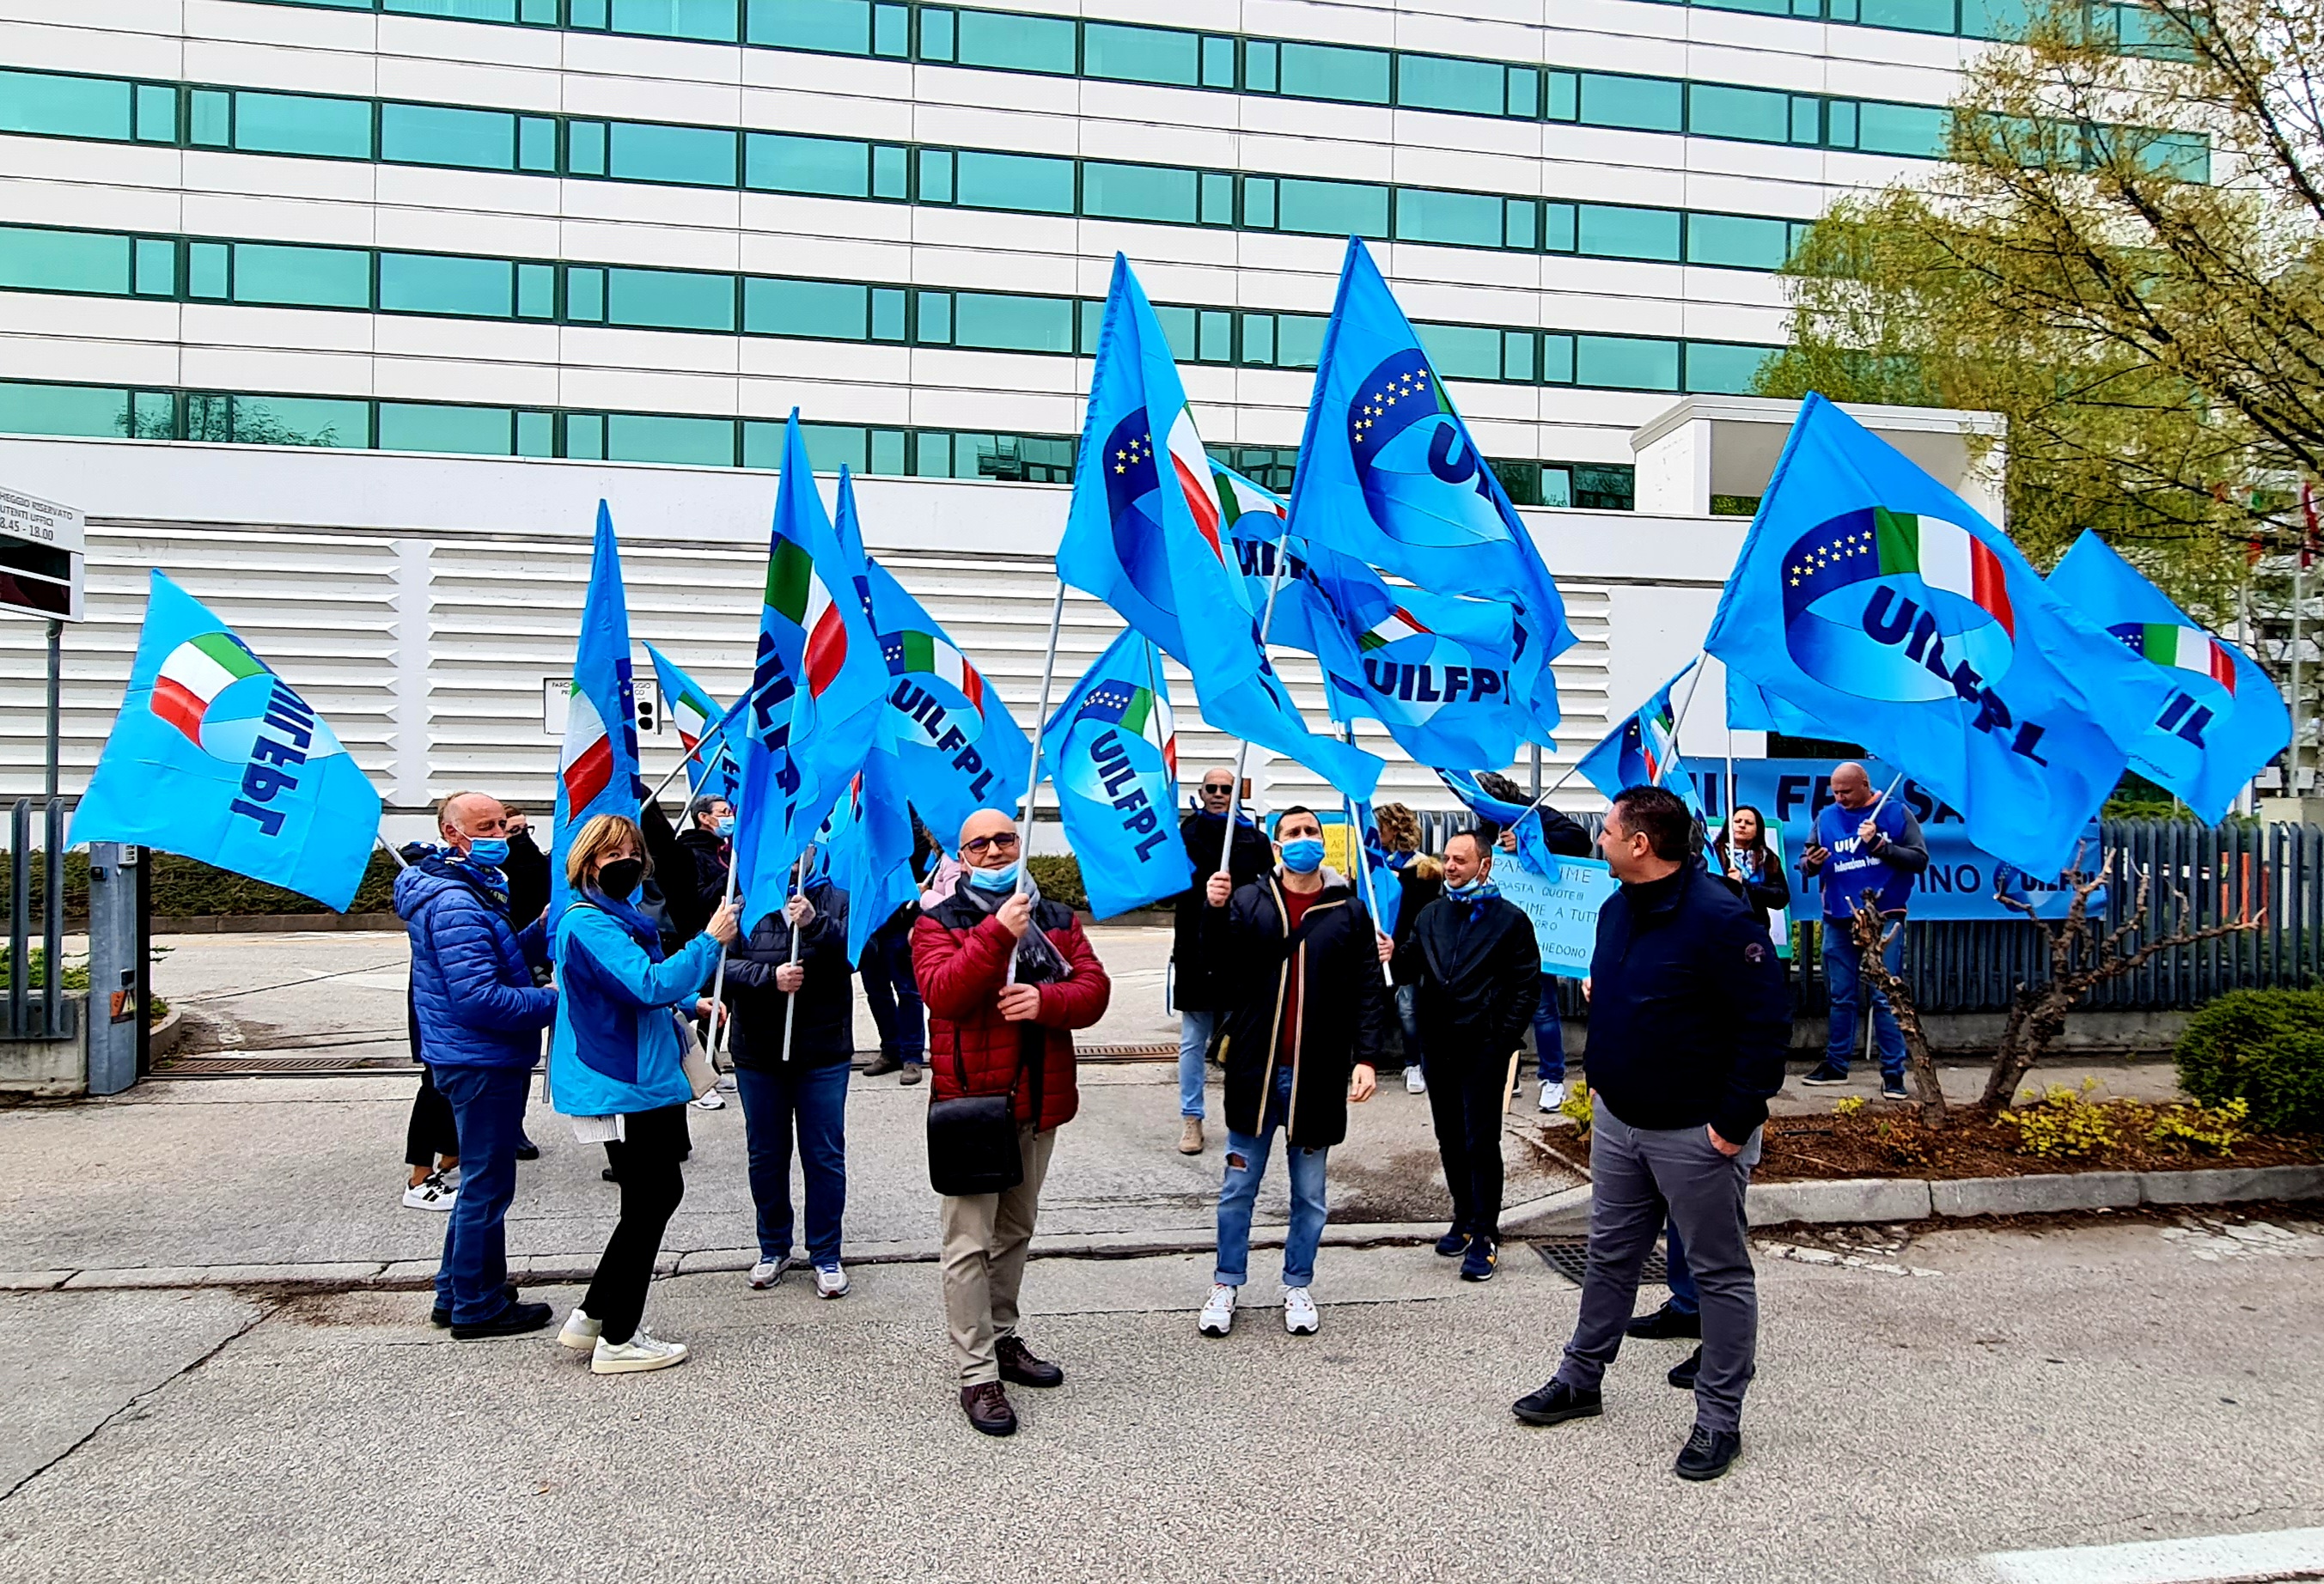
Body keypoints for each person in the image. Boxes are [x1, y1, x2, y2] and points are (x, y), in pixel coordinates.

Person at [1511, 786, 1787, 1483]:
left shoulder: (1720, 917)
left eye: (1607, 831)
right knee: (1609, 1256)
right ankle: (1579, 1379)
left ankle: (1717, 1419)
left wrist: (1732, 1122)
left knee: (1718, 1273)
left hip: (1695, 1131)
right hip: (1619, 1121)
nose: (1598, 840)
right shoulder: (1615, 909)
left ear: (1639, 844)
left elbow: (1764, 1027)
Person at [915, 808, 1112, 1437]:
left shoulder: (1055, 918)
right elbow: (944, 992)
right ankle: (976, 1373)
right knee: (968, 1244)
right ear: (962, 856)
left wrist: (1044, 1000)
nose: (995, 851)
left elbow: (1094, 991)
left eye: (1004, 839)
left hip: (1038, 1102)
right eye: (979, 844)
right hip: (973, 1106)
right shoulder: (937, 920)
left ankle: (1001, 1337)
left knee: (1015, 1231)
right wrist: (997, 932)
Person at [547, 814, 740, 1375]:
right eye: (613, 855)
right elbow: (646, 983)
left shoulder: (613, 918)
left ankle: (593, 1316)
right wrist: (709, 942)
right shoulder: (589, 923)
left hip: (638, 1075)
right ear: (587, 863)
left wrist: (690, 1002)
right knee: (652, 1198)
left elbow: (633, 987)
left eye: (633, 852)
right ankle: (619, 1338)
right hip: (622, 1079)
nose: (627, 862)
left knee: (648, 1199)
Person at [1195, 806, 1388, 1339]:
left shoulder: (1348, 910)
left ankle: (1298, 1284)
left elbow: (1368, 989)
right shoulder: (1248, 900)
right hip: (1256, 1072)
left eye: (1311, 831)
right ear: (1277, 846)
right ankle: (1226, 1282)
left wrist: (1367, 1057)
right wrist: (1213, 911)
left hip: (1316, 1076)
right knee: (1237, 1189)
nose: (1304, 839)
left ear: (1323, 842)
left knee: (1310, 1197)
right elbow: (1216, 967)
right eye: (1293, 832)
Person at [394, 792, 559, 1337]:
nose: (497, 835)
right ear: (451, 833)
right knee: (487, 1186)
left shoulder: (464, 887)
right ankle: (477, 1304)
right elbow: (480, 998)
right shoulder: (456, 902)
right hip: (480, 1056)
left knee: (481, 1182)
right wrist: (552, 1000)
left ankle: (457, 1288)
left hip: (471, 1054)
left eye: (501, 825)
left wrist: (537, 930)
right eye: (483, 827)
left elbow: (497, 956)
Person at [1394, 829, 1540, 1282]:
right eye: (1447, 858)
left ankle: (1486, 1233)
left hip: (1483, 1047)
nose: (1451, 866)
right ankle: (1464, 1217)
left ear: (1484, 865)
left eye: (1461, 859)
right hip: (1438, 1044)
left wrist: (1502, 1038)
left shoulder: (1510, 920)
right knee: (1450, 1137)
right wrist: (1390, 953)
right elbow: (1407, 967)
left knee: (1481, 1140)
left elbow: (1526, 985)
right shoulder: (1431, 914)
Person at [720, 862, 856, 1298]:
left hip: (823, 1051)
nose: (793, 859)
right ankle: (773, 1247)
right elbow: (717, 968)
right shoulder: (741, 903)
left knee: (824, 1155)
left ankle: (826, 1253)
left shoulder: (838, 900)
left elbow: (857, 955)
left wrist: (816, 925)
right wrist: (768, 977)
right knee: (766, 1154)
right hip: (758, 1053)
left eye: (801, 847)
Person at [1798, 762, 1927, 1100]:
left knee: (1885, 998)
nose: (1840, 798)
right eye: (1835, 792)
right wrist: (1811, 863)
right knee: (1841, 996)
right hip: (1838, 916)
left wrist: (1880, 846)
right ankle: (1836, 1065)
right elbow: (1806, 862)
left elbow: (1919, 859)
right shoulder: (1826, 817)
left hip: (1884, 915)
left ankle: (1893, 1074)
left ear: (1865, 784)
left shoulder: (1896, 813)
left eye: (1847, 792)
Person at [1168, 767, 1272, 1154]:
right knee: (1193, 1040)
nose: (1217, 794)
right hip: (1195, 950)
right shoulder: (1184, 834)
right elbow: (1169, 888)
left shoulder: (1253, 839)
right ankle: (1191, 1117)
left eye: (1225, 789)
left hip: (1239, 951)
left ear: (1236, 794)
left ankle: (1241, 1117)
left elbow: (1269, 889)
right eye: (1210, 788)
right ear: (1201, 792)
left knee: (1241, 1041)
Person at [1479, 771, 1591, 1112]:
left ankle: (1552, 1078)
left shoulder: (1536, 812)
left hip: (1543, 931)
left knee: (1543, 1009)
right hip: (1502, 930)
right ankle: (1507, 1077)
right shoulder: (1486, 822)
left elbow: (1580, 840)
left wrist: (1529, 841)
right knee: (1500, 1007)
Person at [1373, 803, 1442, 1095]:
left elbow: (1425, 912)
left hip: (1409, 951)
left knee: (1410, 1008)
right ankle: (1368, 1061)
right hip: (1379, 948)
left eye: (1380, 826)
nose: (1375, 832)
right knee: (1375, 1006)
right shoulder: (1374, 861)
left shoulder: (1423, 868)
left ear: (1395, 828)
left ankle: (1416, 1063)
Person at [857, 899, 927, 1085]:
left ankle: (912, 1056)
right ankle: (891, 1050)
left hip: (899, 923)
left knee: (908, 993)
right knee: (876, 993)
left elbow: (914, 885)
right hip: (868, 929)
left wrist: (916, 921)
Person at [1716, 803, 1791, 934]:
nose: (1742, 825)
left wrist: (1746, 885)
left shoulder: (1767, 858)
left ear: (1758, 830)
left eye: (1749, 823)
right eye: (1737, 821)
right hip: (1720, 927)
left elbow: (1780, 898)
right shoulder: (1713, 855)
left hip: (1755, 928)